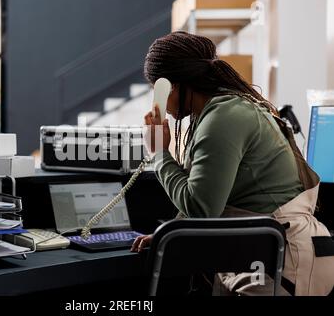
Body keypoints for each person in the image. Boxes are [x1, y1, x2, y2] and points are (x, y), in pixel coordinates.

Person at [131, 31, 334, 296]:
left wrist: (159, 153)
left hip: (285, 267)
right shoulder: (218, 112)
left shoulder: (222, 119)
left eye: (155, 90)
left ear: (169, 86)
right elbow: (206, 190)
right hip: (266, 257)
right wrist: (172, 233)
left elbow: (201, 209)